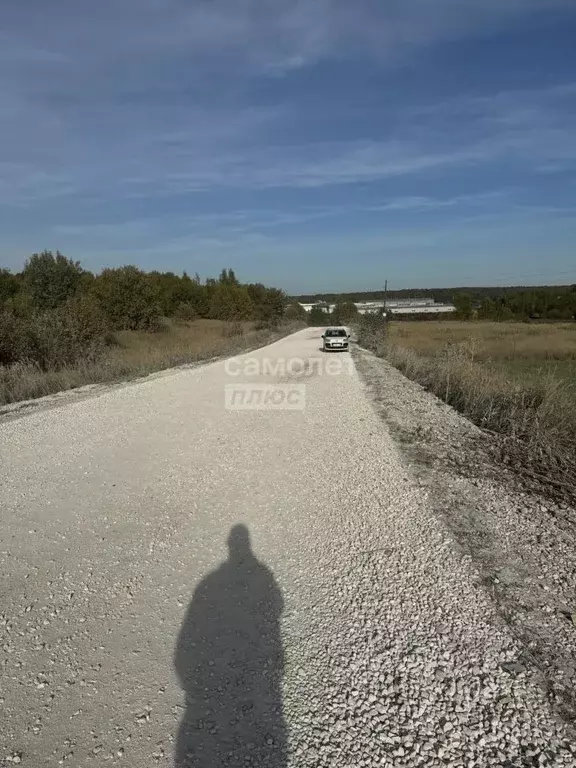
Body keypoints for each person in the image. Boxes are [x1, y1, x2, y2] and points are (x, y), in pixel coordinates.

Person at [174, 524, 286, 767]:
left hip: (207, 698)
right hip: (259, 683)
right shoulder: (263, 574)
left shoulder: (209, 583)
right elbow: (277, 606)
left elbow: (186, 644)